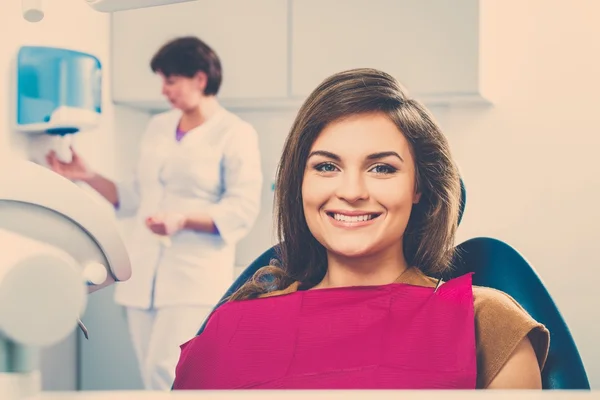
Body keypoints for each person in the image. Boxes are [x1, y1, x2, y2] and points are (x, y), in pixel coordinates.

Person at [171, 68, 550, 390]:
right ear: (298, 184)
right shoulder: (234, 328)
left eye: (382, 168)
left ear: (418, 187)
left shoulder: (486, 323)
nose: (351, 192)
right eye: (326, 167)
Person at [46, 36, 263, 390]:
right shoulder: (158, 127)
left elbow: (241, 208)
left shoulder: (235, 133)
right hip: (144, 274)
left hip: (192, 276)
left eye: (170, 80)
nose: (163, 90)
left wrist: (182, 219)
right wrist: (87, 176)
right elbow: (135, 197)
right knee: (150, 375)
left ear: (200, 79)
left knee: (170, 370)